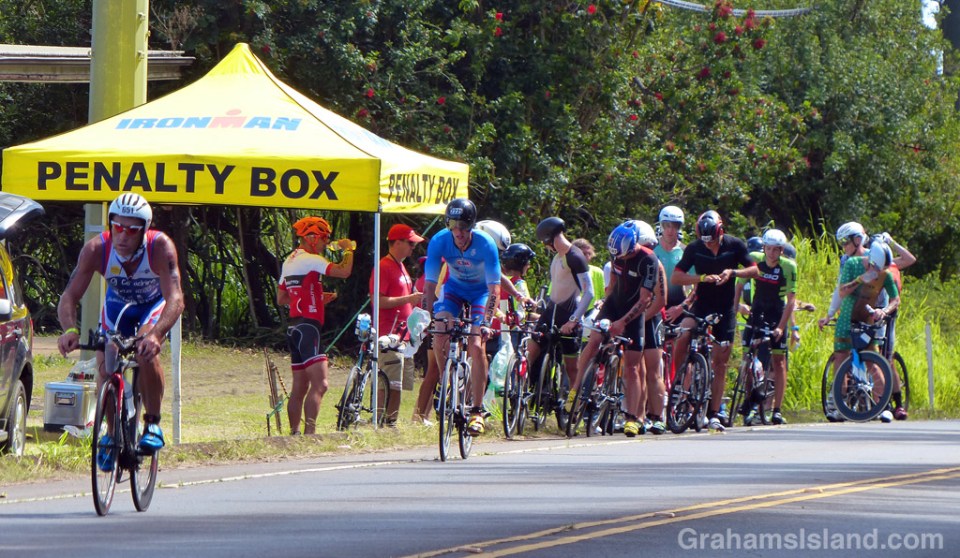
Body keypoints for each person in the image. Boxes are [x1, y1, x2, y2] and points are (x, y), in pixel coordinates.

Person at [57, 193, 184, 466]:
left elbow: (175, 298)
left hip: (152, 306)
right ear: (110, 224)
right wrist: (69, 330)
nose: (123, 235)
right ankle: (111, 435)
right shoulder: (97, 249)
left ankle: (152, 423)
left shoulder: (160, 247)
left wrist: (156, 335)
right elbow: (69, 296)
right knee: (106, 362)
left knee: (146, 351)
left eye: (131, 229)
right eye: (117, 227)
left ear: (144, 230)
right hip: (118, 307)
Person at [670, 210, 755, 432]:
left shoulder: (735, 245)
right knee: (683, 332)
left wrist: (732, 273)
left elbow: (755, 269)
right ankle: (681, 379)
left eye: (713, 241)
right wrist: (701, 278)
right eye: (705, 242)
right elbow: (676, 276)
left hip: (725, 308)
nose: (709, 246)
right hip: (702, 303)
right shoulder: (695, 248)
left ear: (720, 232)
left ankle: (715, 412)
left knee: (721, 361)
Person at [422, 198, 501, 435]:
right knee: (439, 332)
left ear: (472, 226)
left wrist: (486, 322)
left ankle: (477, 411)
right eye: (453, 226)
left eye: (463, 227)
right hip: (454, 290)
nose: (458, 232)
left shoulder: (486, 244)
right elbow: (429, 286)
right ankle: (448, 376)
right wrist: (428, 318)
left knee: (476, 345)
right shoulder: (439, 241)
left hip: (480, 294)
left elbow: (494, 289)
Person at [576, 220, 658, 437]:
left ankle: (632, 417)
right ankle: (575, 389)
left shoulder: (648, 260)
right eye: (616, 256)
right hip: (614, 304)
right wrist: (604, 302)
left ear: (633, 248)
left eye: (624, 256)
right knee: (593, 340)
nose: (619, 259)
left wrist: (623, 322)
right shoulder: (616, 252)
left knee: (632, 366)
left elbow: (646, 299)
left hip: (634, 310)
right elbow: (612, 282)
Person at [278, 216, 355, 435]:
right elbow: (343, 271)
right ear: (311, 238)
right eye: (324, 238)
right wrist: (348, 250)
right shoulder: (310, 259)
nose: (326, 243)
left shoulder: (290, 260)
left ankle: (294, 435)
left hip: (295, 327)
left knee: (300, 387)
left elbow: (282, 298)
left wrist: (317, 299)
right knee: (321, 384)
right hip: (308, 327)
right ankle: (310, 435)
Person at [727, 229, 797, 425]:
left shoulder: (788, 267)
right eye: (769, 249)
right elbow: (739, 287)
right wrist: (733, 313)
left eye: (777, 250)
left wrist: (782, 327)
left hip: (777, 311)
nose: (772, 254)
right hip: (757, 310)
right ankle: (750, 399)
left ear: (782, 251)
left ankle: (776, 409)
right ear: (764, 248)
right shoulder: (755, 258)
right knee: (747, 358)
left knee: (778, 362)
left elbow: (791, 301)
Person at [527, 217, 594, 414]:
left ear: (549, 239)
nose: (545, 247)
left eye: (544, 243)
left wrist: (573, 320)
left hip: (568, 315)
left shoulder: (575, 256)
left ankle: (574, 404)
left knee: (572, 368)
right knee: (530, 352)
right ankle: (520, 394)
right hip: (550, 312)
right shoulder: (558, 256)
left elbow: (588, 292)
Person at [829, 240, 900, 421]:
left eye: (881, 270)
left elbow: (895, 299)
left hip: (867, 316)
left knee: (872, 361)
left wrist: (883, 311)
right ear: (870, 260)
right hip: (847, 315)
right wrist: (860, 280)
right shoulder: (853, 264)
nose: (878, 273)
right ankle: (840, 405)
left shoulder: (885, 274)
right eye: (876, 268)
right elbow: (842, 291)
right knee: (841, 358)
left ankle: (881, 405)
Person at [370, 224, 425, 426]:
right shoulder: (384, 266)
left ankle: (391, 420)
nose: (413, 247)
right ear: (398, 242)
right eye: (410, 243)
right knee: (389, 380)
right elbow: (378, 301)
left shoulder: (400, 266)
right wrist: (408, 299)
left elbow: (405, 299)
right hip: (388, 333)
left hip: (404, 335)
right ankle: (384, 421)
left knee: (399, 382)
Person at [635, 221, 667, 434]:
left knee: (653, 370)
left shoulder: (656, 264)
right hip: (633, 318)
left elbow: (661, 299)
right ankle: (638, 416)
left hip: (651, 319)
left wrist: (644, 317)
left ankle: (658, 417)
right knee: (636, 369)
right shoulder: (625, 261)